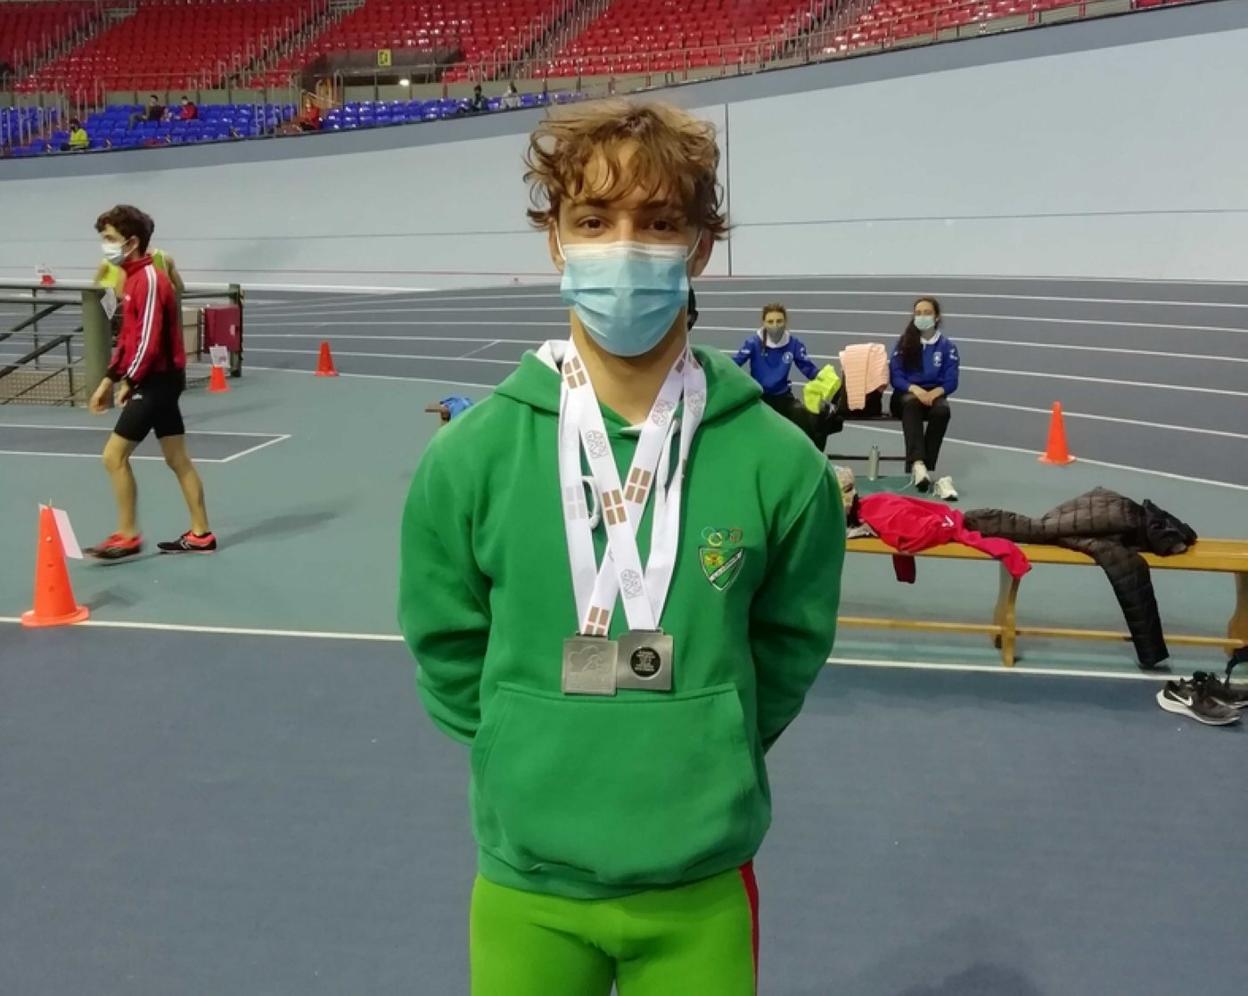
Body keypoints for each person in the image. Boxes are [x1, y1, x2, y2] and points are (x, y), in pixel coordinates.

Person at [399, 101, 844, 996]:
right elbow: (445, 644)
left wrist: (707, 736)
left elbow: (789, 648)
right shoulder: (470, 458)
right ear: (556, 242)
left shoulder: (780, 463)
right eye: (595, 221)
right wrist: (524, 743)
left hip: (700, 890)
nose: (625, 247)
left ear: (699, 250)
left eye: (660, 222)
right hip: (526, 886)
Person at [85, 205, 215, 558]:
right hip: (157, 379)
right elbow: (128, 338)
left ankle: (128, 535)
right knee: (177, 458)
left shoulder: (151, 280)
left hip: (157, 382)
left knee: (113, 456)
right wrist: (110, 378)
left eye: (110, 239)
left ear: (131, 242)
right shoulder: (131, 279)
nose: (105, 246)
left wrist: (129, 380)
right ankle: (201, 534)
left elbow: (148, 341)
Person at [731, 302, 832, 450]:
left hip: (783, 397)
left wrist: (826, 380)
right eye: (770, 321)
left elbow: (808, 369)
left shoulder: (794, 344)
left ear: (785, 322)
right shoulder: (753, 343)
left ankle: (810, 455)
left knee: (807, 420)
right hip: (759, 397)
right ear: (763, 323)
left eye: (779, 321)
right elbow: (734, 364)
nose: (775, 325)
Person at [889, 296, 960, 500]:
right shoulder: (904, 343)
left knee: (942, 411)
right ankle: (918, 464)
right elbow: (896, 376)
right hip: (906, 395)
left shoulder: (947, 347)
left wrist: (934, 393)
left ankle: (926, 467)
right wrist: (915, 390)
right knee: (911, 405)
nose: (922, 317)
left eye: (927, 313)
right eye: (918, 313)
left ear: (936, 317)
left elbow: (951, 380)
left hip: (933, 395)